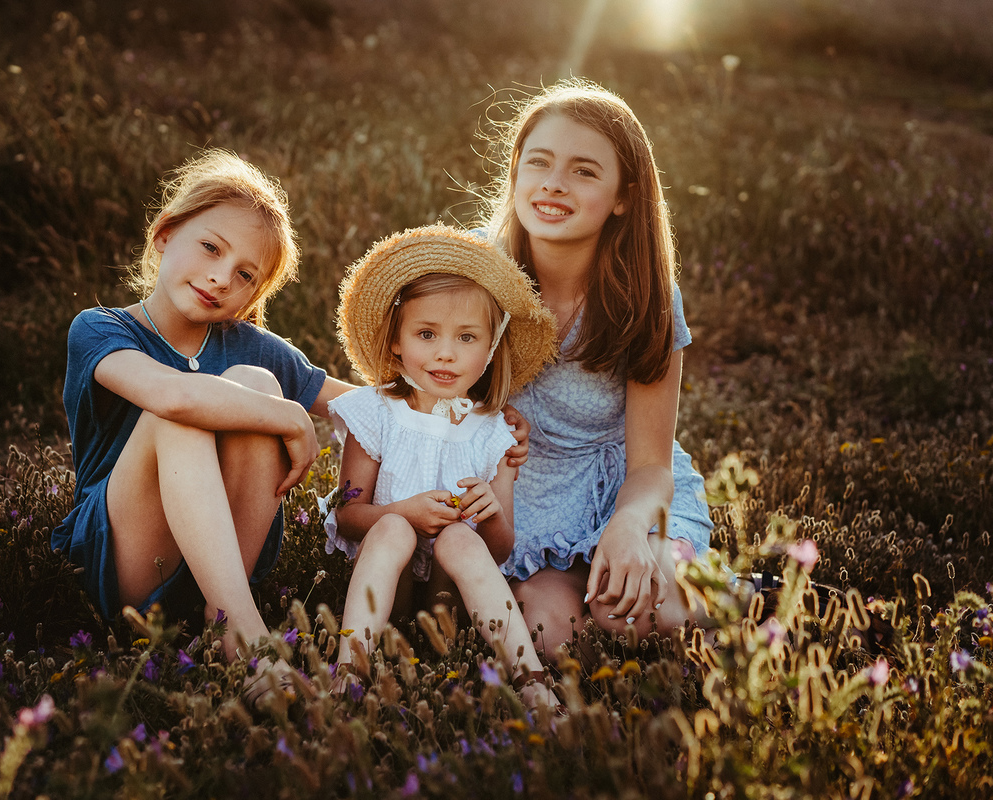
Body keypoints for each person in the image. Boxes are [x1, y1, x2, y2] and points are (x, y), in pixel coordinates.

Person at [51, 151, 530, 700]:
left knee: (253, 381)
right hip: (126, 560)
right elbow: (172, 395)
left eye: (245, 274)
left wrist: (474, 413)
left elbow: (382, 405)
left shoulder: (251, 347)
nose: (219, 277)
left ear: (255, 295)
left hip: (225, 561)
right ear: (164, 234)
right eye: (210, 247)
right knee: (185, 416)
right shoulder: (100, 328)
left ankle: (221, 613)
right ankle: (245, 637)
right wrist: (287, 416)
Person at [479, 79, 714, 656]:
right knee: (550, 636)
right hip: (528, 501)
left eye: (584, 171)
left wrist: (630, 526)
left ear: (623, 196)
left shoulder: (645, 296)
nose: (554, 184)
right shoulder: (475, 274)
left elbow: (653, 463)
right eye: (538, 162)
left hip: (626, 485)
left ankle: (742, 600)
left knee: (640, 615)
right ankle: (567, 590)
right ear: (515, 175)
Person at [325, 225, 561, 710]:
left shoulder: (493, 431)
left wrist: (491, 511)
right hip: (387, 600)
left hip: (447, 604)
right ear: (395, 340)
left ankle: (532, 683)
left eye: (467, 337)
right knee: (391, 528)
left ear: (492, 349)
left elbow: (500, 548)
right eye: (426, 334)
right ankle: (348, 669)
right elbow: (348, 516)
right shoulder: (375, 413)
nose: (446, 353)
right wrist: (406, 513)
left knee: (458, 537)